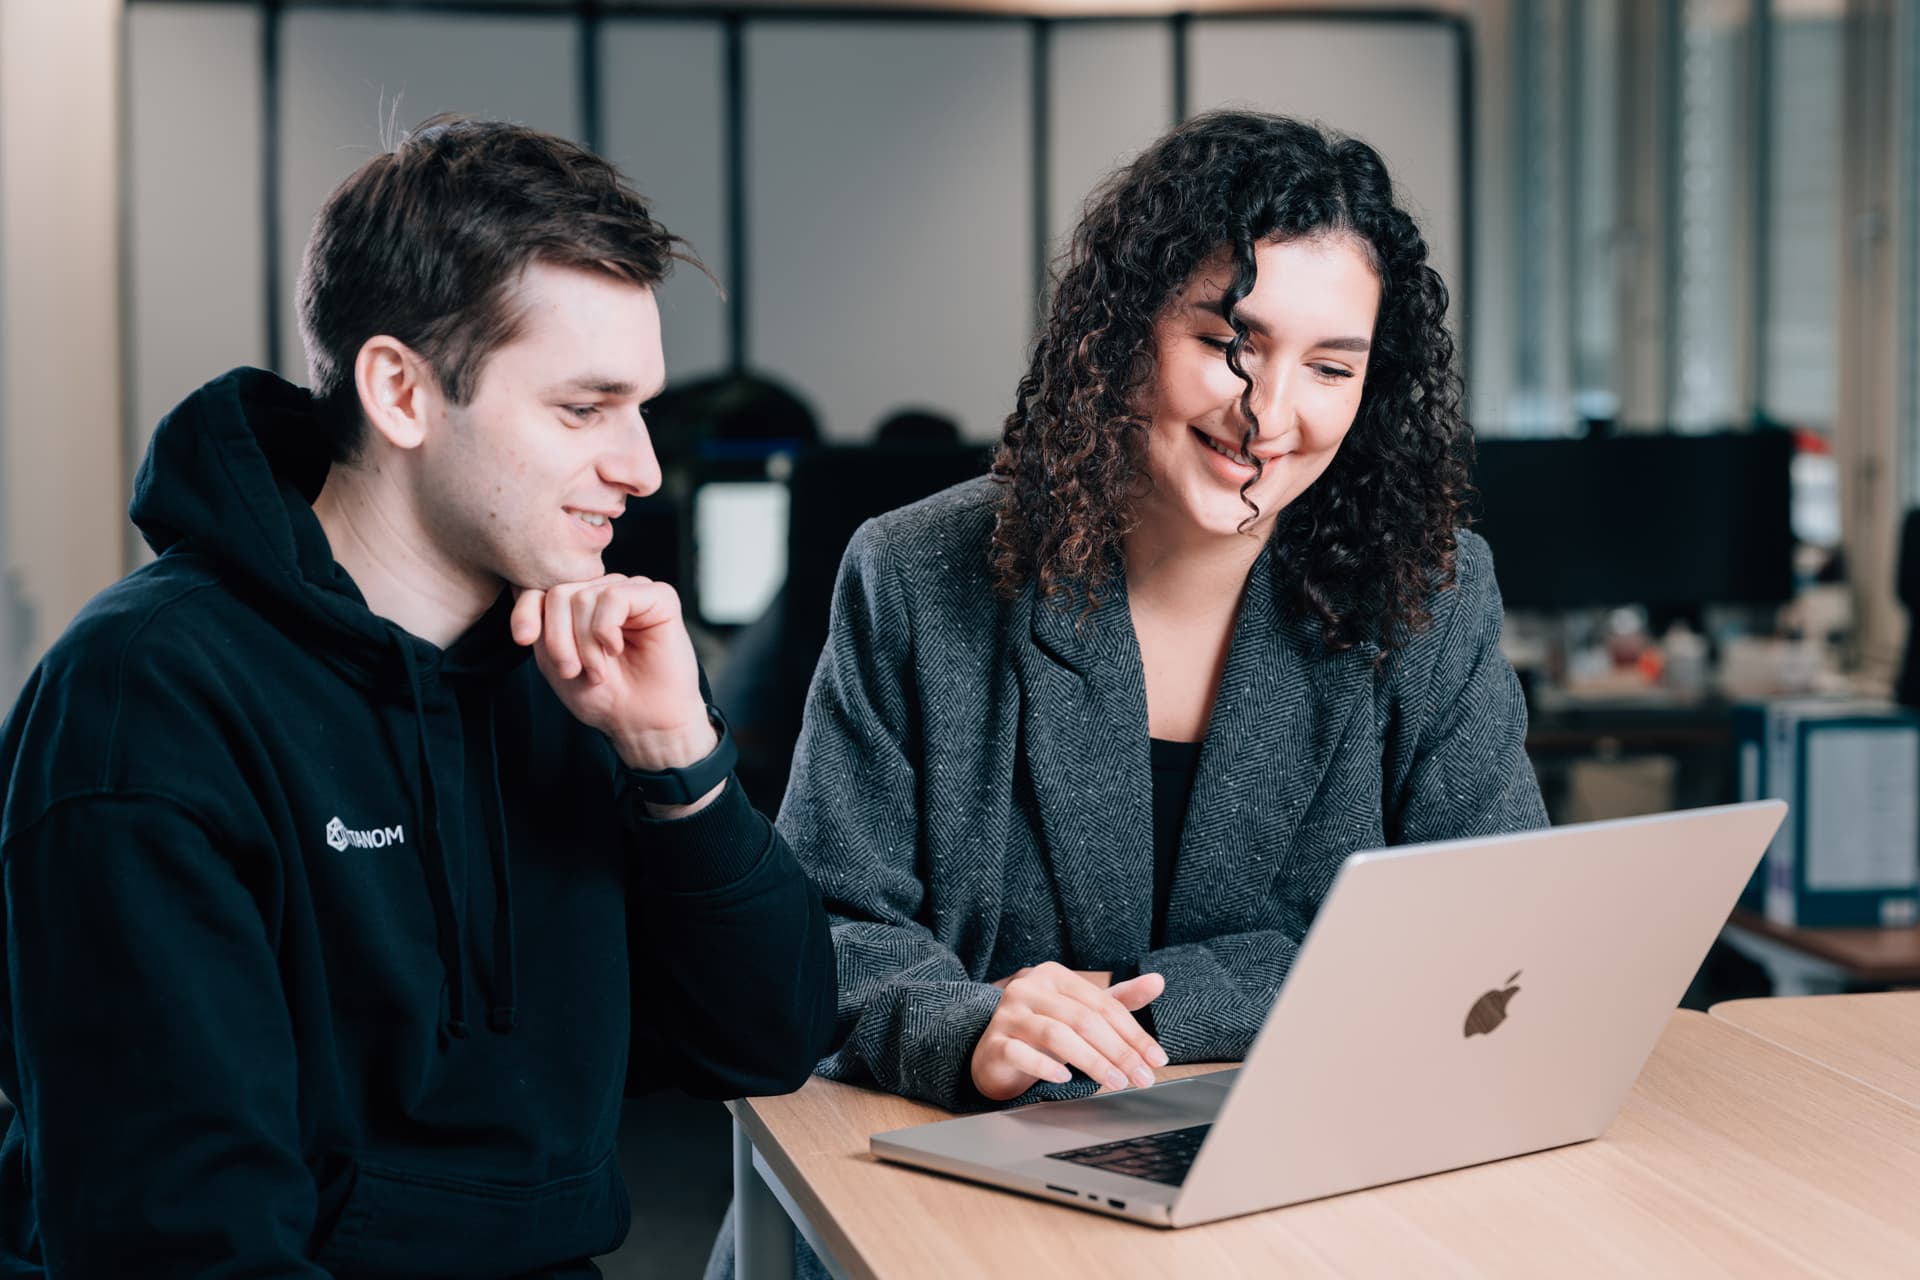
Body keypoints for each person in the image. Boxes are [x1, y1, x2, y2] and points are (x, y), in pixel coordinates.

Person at [0, 117, 835, 1278]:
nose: (643, 467)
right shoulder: (147, 697)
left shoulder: (584, 668)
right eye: (584, 409)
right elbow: (184, 1243)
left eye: (640, 405)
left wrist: (674, 754)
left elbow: (769, 1036)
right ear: (399, 391)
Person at [785, 110, 1546, 1116]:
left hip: (1297, 1158)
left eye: (1331, 366)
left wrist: (1158, 1004)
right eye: (1232, 342)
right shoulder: (921, 574)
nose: (1271, 415)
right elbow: (823, 929)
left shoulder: (1426, 595)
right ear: (1126, 333)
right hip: (966, 1169)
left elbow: (1499, 929)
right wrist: (972, 1025)